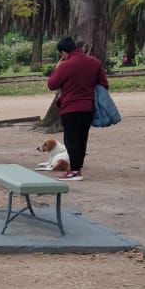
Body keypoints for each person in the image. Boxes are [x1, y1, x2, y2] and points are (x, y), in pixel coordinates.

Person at [45, 36, 108, 181]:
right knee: (82, 138)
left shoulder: (66, 65)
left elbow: (52, 84)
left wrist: (57, 67)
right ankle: (77, 167)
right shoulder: (94, 62)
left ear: (64, 53)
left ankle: (74, 171)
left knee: (71, 139)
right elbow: (104, 84)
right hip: (88, 108)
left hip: (70, 108)